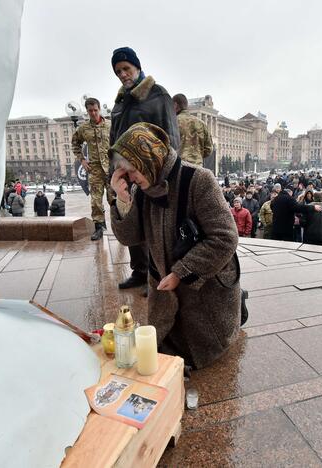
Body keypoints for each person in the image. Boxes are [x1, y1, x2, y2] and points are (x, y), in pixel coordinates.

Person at [109, 122, 241, 369]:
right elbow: (128, 237)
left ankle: (236, 313)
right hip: (164, 288)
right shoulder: (142, 188)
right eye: (126, 172)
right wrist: (122, 200)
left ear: (150, 158)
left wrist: (181, 272)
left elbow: (225, 238)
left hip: (205, 291)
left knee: (199, 349)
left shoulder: (199, 180)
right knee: (162, 346)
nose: (130, 177)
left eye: (132, 170)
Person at [109, 46, 180, 291]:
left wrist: (166, 175)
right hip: (125, 172)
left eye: (126, 69)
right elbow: (114, 137)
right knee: (131, 221)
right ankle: (139, 271)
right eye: (118, 71)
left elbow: (171, 136)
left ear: (137, 67)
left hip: (150, 174)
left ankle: (155, 275)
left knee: (152, 226)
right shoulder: (120, 101)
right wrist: (113, 170)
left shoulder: (157, 94)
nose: (123, 74)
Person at [72, 97, 114, 241]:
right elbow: (75, 144)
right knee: (96, 201)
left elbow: (119, 142)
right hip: (94, 169)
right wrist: (82, 160)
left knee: (113, 198)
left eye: (96, 110)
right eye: (90, 111)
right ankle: (99, 228)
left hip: (111, 168)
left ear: (99, 109)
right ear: (87, 111)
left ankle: (119, 226)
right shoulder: (83, 129)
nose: (94, 113)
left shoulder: (110, 125)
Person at [172, 93, 213, 166]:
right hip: (197, 169)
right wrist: (196, 156)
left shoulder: (172, 122)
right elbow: (209, 149)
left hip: (178, 168)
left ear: (175, 105)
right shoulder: (202, 124)